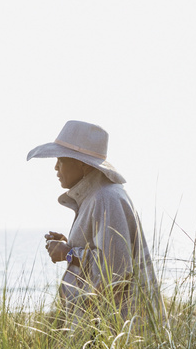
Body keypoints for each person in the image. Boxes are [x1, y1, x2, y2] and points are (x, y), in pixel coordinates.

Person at [27, 120, 163, 335]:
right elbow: (104, 250)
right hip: (107, 329)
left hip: (119, 333)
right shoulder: (97, 195)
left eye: (61, 160)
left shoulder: (105, 197)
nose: (55, 167)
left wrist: (68, 253)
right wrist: (69, 244)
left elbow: (116, 268)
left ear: (82, 164)